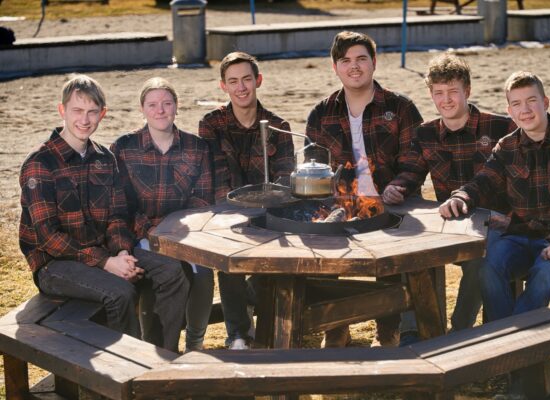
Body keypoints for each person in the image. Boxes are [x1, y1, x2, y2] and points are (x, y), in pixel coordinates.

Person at [19, 74, 188, 348]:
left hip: (105, 252)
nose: (84, 120)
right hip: (55, 264)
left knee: (171, 271)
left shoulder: (104, 159)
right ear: (62, 110)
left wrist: (121, 252)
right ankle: (127, 367)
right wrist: (106, 263)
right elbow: (48, 237)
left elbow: (118, 216)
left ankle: (162, 355)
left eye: (92, 112)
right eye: (77, 110)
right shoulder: (41, 163)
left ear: (103, 113)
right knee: (121, 292)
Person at [439, 71, 550, 322]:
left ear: (545, 102)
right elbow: (484, 180)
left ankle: (514, 340)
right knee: (487, 268)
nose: (525, 110)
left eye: (531, 101)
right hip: (522, 235)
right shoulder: (507, 146)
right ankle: (508, 337)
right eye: (517, 104)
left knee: (545, 272)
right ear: (509, 111)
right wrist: (461, 197)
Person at [383, 53, 516, 341]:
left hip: (493, 226)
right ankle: (413, 332)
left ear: (467, 90)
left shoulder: (501, 127)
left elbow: (522, 179)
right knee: (411, 252)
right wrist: (396, 187)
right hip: (450, 223)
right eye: (438, 93)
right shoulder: (425, 133)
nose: (446, 100)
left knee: (481, 258)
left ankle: (460, 333)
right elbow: (411, 172)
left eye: (453, 91)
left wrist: (514, 218)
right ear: (431, 94)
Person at [305, 31, 423, 348]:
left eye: (361, 59)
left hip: (391, 205)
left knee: (391, 254)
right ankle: (335, 328)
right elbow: (314, 168)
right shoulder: (321, 113)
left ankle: (388, 330)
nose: (354, 66)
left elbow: (415, 161)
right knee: (322, 245)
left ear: (374, 62)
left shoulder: (401, 107)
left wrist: (399, 186)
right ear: (335, 67)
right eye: (345, 60)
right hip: (340, 207)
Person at [199, 51, 295, 349]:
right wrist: (235, 213)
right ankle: (239, 334)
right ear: (223, 86)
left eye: (246, 79)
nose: (241, 87)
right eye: (233, 81)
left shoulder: (278, 126)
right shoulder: (211, 124)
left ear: (258, 80)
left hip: (270, 214)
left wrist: (265, 209)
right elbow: (215, 177)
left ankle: (265, 320)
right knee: (229, 263)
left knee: (274, 265)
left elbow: (284, 179)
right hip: (227, 213)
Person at [111, 77, 215, 352]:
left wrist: (178, 228)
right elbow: (121, 203)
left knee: (203, 273)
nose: (160, 110)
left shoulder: (197, 147)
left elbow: (202, 198)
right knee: (161, 272)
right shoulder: (124, 147)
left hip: (185, 232)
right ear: (142, 109)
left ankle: (194, 343)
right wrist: (151, 231)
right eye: (153, 104)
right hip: (141, 234)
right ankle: (156, 348)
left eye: (167, 103)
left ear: (176, 107)